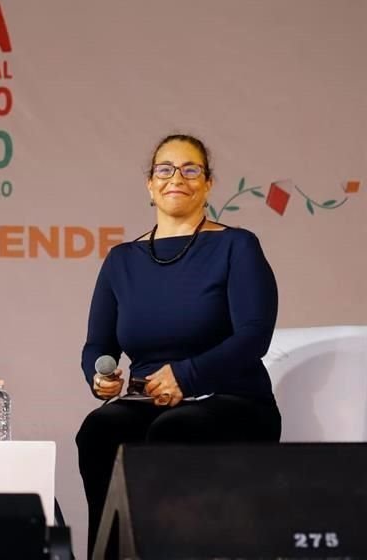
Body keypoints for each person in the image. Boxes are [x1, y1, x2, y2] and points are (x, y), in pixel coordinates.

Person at [76, 133, 281, 556]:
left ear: (207, 184)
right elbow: (99, 344)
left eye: (192, 170)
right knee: (100, 429)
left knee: (177, 429)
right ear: (150, 185)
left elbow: (254, 336)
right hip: (149, 400)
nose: (178, 178)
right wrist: (102, 376)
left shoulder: (236, 246)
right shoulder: (122, 260)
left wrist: (187, 376)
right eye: (165, 170)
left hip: (232, 398)